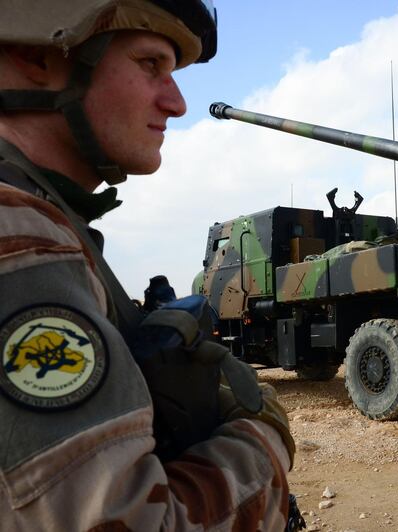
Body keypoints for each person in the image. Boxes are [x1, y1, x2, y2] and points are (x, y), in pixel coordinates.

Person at [0, 1, 296, 530]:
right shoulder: (20, 238)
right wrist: (264, 433)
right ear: (35, 55)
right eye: (149, 64)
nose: (177, 103)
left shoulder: (46, 222)